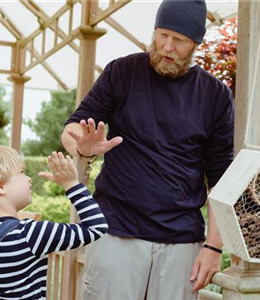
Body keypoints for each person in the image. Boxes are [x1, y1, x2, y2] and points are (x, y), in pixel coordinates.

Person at [61, 0, 234, 299]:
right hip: (115, 230)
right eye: (162, 34)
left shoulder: (216, 95)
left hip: (181, 242)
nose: (167, 46)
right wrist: (82, 146)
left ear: (195, 42)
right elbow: (73, 127)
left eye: (179, 40)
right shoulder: (122, 71)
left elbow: (220, 179)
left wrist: (213, 247)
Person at [0, 146, 108, 299]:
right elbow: (96, 227)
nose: (29, 178)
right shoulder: (29, 234)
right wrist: (72, 184)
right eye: (22, 172)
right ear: (1, 186)